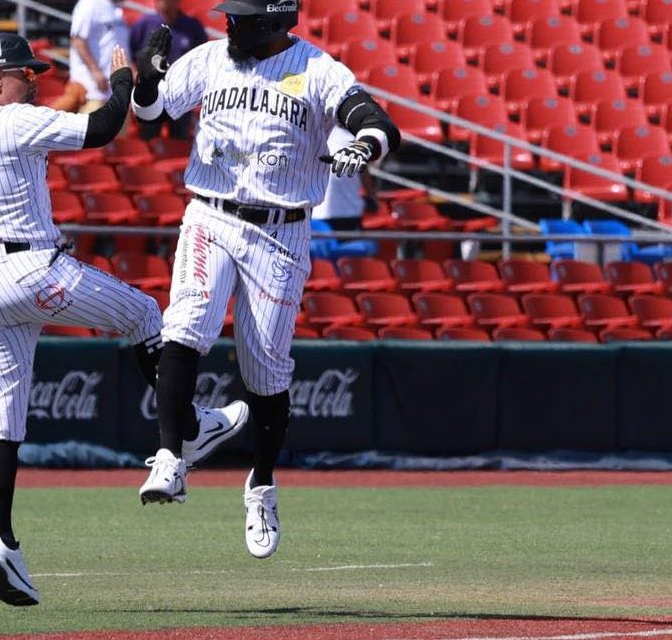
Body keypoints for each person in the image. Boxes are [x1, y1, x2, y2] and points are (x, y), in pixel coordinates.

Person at [0, 16, 247, 608]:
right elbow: (105, 129)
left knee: (2, 417)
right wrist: (123, 79)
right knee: (145, 316)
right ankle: (185, 432)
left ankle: (0, 539)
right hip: (33, 271)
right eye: (24, 74)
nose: (33, 82)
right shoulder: (14, 120)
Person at [129, 0, 401, 559]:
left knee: (266, 369)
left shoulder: (318, 70)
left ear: (275, 21)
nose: (230, 25)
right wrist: (145, 82)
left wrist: (361, 145)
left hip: (280, 232)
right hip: (209, 212)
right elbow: (152, 115)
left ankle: (261, 483)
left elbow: (378, 124)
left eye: (241, 18)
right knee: (184, 323)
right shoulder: (210, 59)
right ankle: (171, 457)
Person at [127, 0, 206, 140]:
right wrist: (138, 78)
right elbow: (129, 54)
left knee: (179, 140)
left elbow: (203, 60)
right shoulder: (144, 24)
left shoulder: (192, 27)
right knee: (148, 138)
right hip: (151, 92)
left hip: (181, 94)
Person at [54, 0, 127, 113]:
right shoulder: (89, 4)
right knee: (93, 129)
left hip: (115, 90)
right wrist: (95, 71)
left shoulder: (116, 8)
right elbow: (78, 39)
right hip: (92, 89)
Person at [312, 127, 380, 231]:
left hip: (351, 212)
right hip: (321, 213)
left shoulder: (358, 136)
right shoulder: (317, 133)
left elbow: (364, 172)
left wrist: (372, 196)